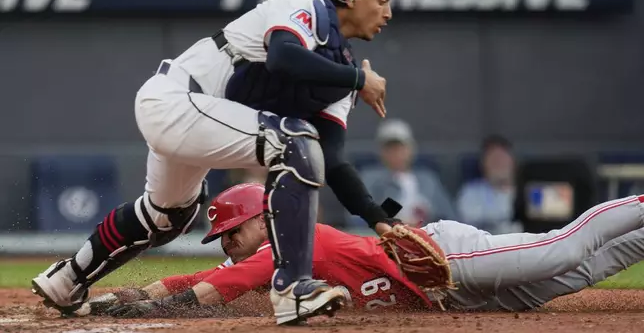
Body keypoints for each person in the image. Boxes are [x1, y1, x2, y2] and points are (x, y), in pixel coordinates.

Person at [31, 0, 402, 326]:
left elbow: (333, 160)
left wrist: (381, 219)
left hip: (199, 120)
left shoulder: (343, 75)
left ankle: (67, 280)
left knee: (167, 215)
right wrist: (358, 80)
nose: (387, 13)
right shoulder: (305, 6)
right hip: (176, 98)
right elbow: (284, 58)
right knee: (293, 142)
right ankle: (292, 289)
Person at [84, 183, 644, 316]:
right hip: (450, 303)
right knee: (596, 266)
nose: (227, 243)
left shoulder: (287, 243)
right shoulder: (263, 258)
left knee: (567, 249)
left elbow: (211, 290)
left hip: (444, 260)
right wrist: (126, 294)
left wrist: (154, 307)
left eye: (232, 231)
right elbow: (198, 279)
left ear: (262, 217)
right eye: (222, 238)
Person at [351, 119, 457, 228]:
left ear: (411, 149)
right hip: (387, 237)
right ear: (381, 152)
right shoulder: (370, 178)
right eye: (390, 149)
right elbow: (356, 219)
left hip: (427, 236)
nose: (396, 154)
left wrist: (427, 219)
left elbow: (450, 216)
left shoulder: (427, 179)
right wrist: (397, 220)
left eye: (400, 148)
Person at [456, 134, 519, 234]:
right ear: (483, 165)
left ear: (513, 161)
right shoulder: (471, 192)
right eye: (494, 160)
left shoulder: (529, 190)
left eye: (502, 158)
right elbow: (469, 224)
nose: (499, 163)